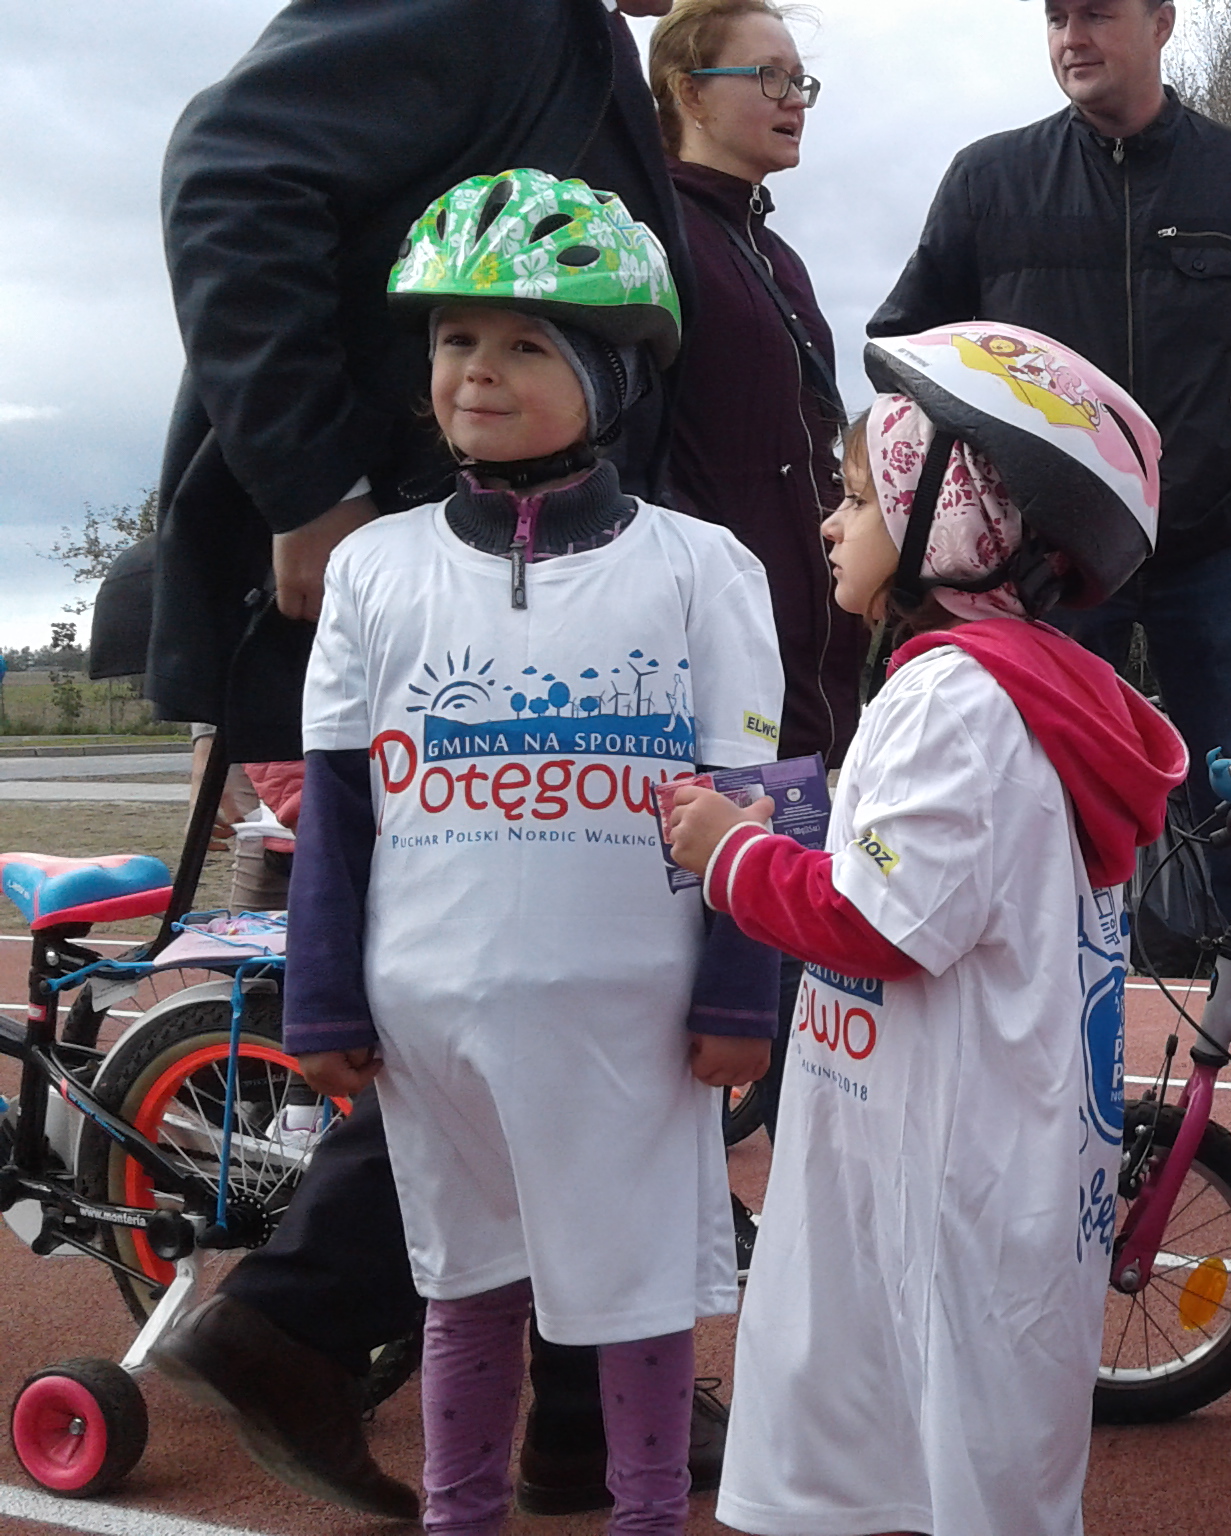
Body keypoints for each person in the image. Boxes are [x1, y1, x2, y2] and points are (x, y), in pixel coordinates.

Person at [141, 3, 718, 1521]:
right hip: (433, 610)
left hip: (556, 604)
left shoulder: (580, 38)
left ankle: (580, 1402)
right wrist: (313, 484)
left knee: (567, 992)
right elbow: (228, 171)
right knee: (497, 995)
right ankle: (294, 1329)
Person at [284, 169, 781, 1536]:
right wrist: (319, 996)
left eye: (522, 344)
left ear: (608, 376)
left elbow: (755, 795)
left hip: (635, 1018)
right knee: (463, 1286)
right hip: (429, 1015)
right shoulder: (376, 569)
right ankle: (460, 1517)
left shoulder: (703, 566)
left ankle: (645, 1514)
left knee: (638, 1294)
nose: (477, 371)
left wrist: (744, 990)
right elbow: (338, 801)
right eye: (456, 339)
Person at [662, 323, 1188, 1536]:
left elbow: (881, 926)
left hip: (939, 1179)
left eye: (859, 497)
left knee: (914, 1475)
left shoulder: (952, 694)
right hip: (975, 1166)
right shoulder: (1019, 687)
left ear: (952, 513)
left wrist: (728, 855)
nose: (832, 525)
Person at [869, 0, 1231, 938]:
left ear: (1162, 22)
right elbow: (906, 351)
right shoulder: (990, 180)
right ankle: (1053, 1005)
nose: (1072, 37)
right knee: (1032, 797)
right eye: (1056, 17)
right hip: (1044, 570)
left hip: (1214, 554)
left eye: (1096, 12)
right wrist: (979, 511)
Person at [650, 0, 859, 767]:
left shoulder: (780, 258)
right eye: (769, 77)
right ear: (690, 92)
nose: (794, 100)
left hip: (817, 662)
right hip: (716, 665)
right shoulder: (650, 239)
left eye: (801, 81)